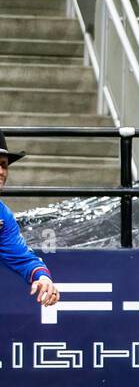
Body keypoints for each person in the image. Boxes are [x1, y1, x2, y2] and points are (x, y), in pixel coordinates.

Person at [0, 132, 59, 308]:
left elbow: (23, 259)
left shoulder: (3, 216)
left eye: (3, 165)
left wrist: (43, 278)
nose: (1, 171)